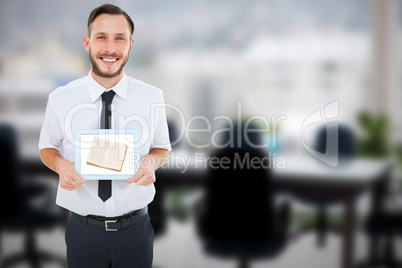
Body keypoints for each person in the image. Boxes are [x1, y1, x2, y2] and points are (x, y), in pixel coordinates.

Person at [39, 4, 171, 267]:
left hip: (136, 230)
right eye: (101, 37)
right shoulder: (61, 98)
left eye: (119, 38)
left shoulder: (151, 97)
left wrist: (150, 162)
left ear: (130, 44)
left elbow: (162, 148)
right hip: (83, 232)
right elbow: (47, 148)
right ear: (87, 42)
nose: (110, 48)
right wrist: (61, 166)